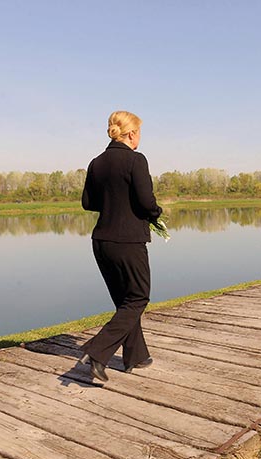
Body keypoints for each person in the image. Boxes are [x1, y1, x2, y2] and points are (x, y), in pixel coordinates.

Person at [79, 110, 162, 382]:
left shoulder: (96, 163)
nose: (140, 137)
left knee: (125, 302)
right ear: (132, 134)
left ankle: (136, 356)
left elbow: (88, 203)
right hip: (128, 241)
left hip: (102, 242)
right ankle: (97, 351)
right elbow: (146, 202)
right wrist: (156, 213)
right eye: (140, 132)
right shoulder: (136, 160)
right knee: (138, 298)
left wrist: (113, 202)